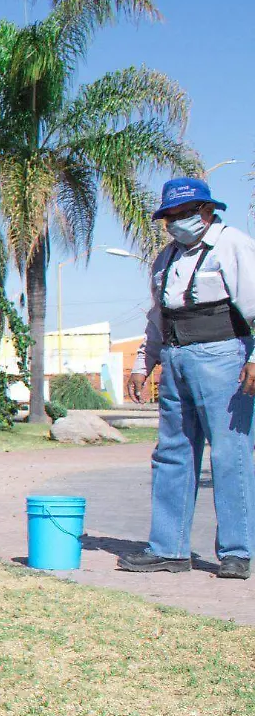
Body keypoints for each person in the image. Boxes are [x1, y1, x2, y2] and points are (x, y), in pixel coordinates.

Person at [121, 177, 255, 579]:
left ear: (207, 211)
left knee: (230, 454)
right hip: (176, 358)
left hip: (224, 355)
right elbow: (158, 317)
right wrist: (144, 363)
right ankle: (169, 548)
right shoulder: (164, 259)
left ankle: (236, 551)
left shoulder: (233, 245)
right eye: (171, 217)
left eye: (186, 213)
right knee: (172, 453)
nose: (178, 222)